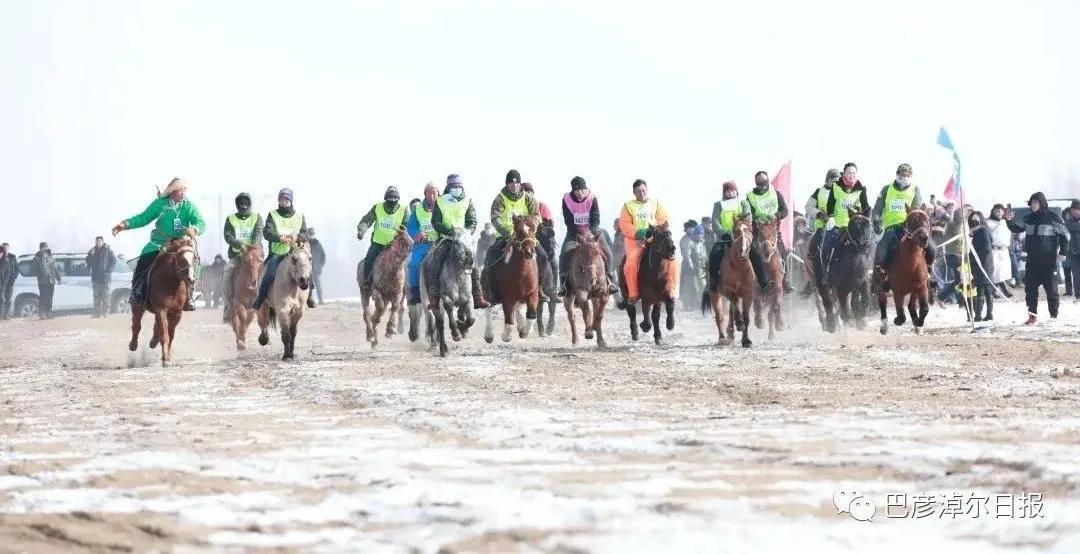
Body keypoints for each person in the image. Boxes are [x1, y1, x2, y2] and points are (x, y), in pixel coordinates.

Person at [112, 178, 205, 312]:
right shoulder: (160, 204)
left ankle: (189, 295)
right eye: (180, 190)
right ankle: (138, 293)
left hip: (181, 243)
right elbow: (143, 218)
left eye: (185, 190)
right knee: (143, 261)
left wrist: (195, 229)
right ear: (172, 192)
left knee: (193, 262)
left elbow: (200, 221)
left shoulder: (188, 206)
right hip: (159, 243)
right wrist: (125, 224)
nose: (183, 193)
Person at [483, 169, 545, 305]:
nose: (514, 186)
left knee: (544, 257)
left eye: (517, 184)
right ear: (507, 185)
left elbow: (536, 215)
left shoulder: (528, 198)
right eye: (511, 184)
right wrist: (506, 232)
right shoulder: (500, 198)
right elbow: (495, 217)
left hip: (526, 236)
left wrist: (530, 227)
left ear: (520, 184)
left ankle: (539, 289)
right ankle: (493, 293)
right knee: (491, 257)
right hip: (505, 236)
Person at [1006, 192, 1070, 324]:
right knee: (1030, 291)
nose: (1033, 205)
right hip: (1032, 261)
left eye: (1036, 202)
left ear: (1042, 203)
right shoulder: (1028, 218)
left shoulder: (1052, 218)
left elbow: (1065, 235)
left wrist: (1063, 253)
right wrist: (1009, 220)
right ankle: (1032, 317)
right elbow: (1016, 229)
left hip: (1049, 261)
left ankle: (1053, 316)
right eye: (1031, 203)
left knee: (1052, 291)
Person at [427, 174, 488, 309]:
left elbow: (472, 221)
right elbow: (435, 221)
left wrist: (465, 233)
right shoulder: (440, 201)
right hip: (446, 239)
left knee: (473, 262)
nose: (456, 189)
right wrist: (450, 231)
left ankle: (477, 296)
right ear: (448, 187)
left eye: (458, 187)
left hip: (463, 240)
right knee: (434, 261)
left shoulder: (467, 201)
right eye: (453, 187)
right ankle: (434, 296)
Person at [252, 187, 316, 310]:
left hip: (295, 253)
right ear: (278, 200)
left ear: (291, 200)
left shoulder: (299, 215)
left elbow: (305, 234)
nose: (284, 201)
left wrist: (297, 237)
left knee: (306, 271)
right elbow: (267, 233)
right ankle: (260, 298)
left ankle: (309, 297)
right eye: (282, 198)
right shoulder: (273, 215)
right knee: (269, 274)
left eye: (287, 198)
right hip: (278, 253)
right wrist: (280, 238)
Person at [870, 164, 931, 292]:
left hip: (910, 228)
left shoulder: (915, 189)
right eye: (903, 175)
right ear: (897, 175)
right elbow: (877, 209)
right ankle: (878, 280)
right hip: (891, 228)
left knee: (931, 248)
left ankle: (929, 275)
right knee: (881, 250)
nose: (905, 177)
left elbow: (917, 208)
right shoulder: (887, 189)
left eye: (908, 175)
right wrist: (876, 221)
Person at [557, 176, 619, 297]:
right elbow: (568, 220)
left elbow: (595, 218)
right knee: (564, 254)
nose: (580, 193)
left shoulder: (592, 198)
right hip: (574, 232)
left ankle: (610, 281)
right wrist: (577, 234)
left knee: (608, 253)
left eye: (582, 190)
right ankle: (563, 284)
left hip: (592, 232)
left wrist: (590, 232)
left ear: (586, 189)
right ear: (573, 191)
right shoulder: (566, 200)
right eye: (577, 191)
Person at [618, 178, 676, 306]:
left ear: (647, 190)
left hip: (655, 238)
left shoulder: (655, 203)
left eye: (643, 190)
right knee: (630, 264)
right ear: (634, 192)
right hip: (636, 241)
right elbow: (625, 224)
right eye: (638, 191)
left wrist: (655, 231)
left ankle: (671, 290)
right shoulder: (628, 206)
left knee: (672, 260)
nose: (641, 193)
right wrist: (641, 234)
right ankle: (633, 293)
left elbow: (663, 218)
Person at [707, 181, 771, 294]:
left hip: (742, 236)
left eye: (733, 190)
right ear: (724, 193)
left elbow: (747, 217)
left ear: (736, 191)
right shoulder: (718, 205)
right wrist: (723, 233)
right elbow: (715, 221)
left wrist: (742, 227)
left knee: (756, 255)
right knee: (714, 255)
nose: (730, 193)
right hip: (725, 238)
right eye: (728, 191)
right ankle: (713, 284)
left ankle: (764, 283)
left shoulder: (743, 203)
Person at [820, 163, 872, 276]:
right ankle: (826, 272)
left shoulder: (861, 189)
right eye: (849, 172)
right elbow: (830, 204)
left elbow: (866, 207)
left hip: (854, 227)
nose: (851, 175)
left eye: (854, 173)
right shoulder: (836, 187)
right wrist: (830, 217)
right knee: (826, 247)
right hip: (837, 225)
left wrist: (867, 219)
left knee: (867, 245)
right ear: (844, 173)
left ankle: (865, 273)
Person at [746, 170, 793, 292]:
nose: (762, 183)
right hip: (758, 232)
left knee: (783, 253)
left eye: (764, 180)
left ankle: (785, 281)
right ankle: (750, 280)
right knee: (750, 253)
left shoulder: (776, 194)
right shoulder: (750, 196)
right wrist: (758, 218)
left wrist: (776, 215)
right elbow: (748, 213)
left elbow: (785, 210)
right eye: (759, 181)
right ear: (756, 182)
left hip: (774, 232)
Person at [357, 186, 408, 293]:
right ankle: (367, 281)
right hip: (378, 244)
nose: (392, 202)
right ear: (386, 199)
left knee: (406, 261)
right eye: (390, 200)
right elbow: (367, 220)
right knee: (369, 258)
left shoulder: (404, 210)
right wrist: (361, 230)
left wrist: (404, 235)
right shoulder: (377, 208)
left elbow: (407, 225)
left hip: (395, 246)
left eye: (395, 200)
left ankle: (405, 285)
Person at [799, 169, 841, 297]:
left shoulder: (845, 192)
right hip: (822, 228)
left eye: (837, 180)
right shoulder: (819, 192)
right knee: (812, 249)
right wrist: (818, 214)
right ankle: (815, 279)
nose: (835, 182)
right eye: (833, 180)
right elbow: (808, 207)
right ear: (827, 180)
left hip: (841, 227)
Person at [221, 192, 264, 316]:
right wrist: (239, 244)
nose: (243, 205)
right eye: (241, 203)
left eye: (246, 203)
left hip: (254, 255)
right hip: (237, 255)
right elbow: (228, 235)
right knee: (227, 274)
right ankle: (228, 303)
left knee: (267, 274)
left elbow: (258, 232)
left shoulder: (257, 217)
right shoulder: (231, 219)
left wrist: (252, 246)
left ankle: (266, 301)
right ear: (237, 205)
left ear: (249, 204)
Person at [406, 183, 439, 307]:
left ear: (438, 194)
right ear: (424, 194)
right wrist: (416, 234)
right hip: (423, 244)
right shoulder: (418, 209)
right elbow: (411, 226)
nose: (431, 196)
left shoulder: (443, 207)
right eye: (428, 193)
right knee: (413, 263)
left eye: (433, 193)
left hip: (440, 243)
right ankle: (415, 293)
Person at [968, 211, 995, 321]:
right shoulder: (976, 233)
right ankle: (986, 314)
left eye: (976, 219)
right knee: (985, 289)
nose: (974, 221)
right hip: (979, 265)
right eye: (972, 219)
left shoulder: (983, 231)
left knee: (983, 290)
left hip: (983, 265)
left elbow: (986, 249)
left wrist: (979, 262)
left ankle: (979, 315)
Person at [985, 204, 1015, 298]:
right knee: (995, 272)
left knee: (1003, 272)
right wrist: (999, 225)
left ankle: (995, 290)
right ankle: (1000, 290)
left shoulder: (1006, 222)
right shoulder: (988, 222)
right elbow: (989, 235)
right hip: (994, 249)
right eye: (997, 211)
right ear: (993, 212)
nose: (999, 213)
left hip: (1004, 250)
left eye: (1001, 211)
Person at [86, 236, 117, 318]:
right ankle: (97, 314)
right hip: (96, 278)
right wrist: (89, 255)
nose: (98, 242)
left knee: (106, 297)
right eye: (96, 241)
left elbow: (114, 260)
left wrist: (109, 270)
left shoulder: (107, 250)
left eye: (99, 241)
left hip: (105, 278)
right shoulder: (92, 250)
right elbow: (88, 262)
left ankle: (106, 313)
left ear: (102, 242)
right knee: (96, 297)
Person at [679, 222, 707, 309]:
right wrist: (691, 265)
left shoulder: (701, 242)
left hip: (700, 267)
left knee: (701, 285)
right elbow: (686, 255)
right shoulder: (686, 241)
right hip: (689, 267)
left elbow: (704, 254)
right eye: (690, 228)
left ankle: (699, 302)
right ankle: (687, 303)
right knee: (689, 285)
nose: (691, 229)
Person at [32, 242, 61, 319]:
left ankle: (48, 313)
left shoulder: (51, 257)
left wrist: (58, 278)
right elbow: (34, 269)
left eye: (47, 247)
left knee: (50, 297)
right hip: (42, 281)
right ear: (41, 248)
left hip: (51, 280)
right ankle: (42, 313)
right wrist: (42, 258)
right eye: (44, 247)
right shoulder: (36, 258)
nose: (46, 248)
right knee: (43, 297)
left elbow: (55, 268)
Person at [1061, 199, 1080, 301]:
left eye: (1077, 210)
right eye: (1074, 210)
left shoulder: (1068, 222)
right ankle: (1076, 294)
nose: (1075, 212)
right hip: (1071, 250)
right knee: (1074, 273)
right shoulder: (1066, 219)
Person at [306, 228, 327, 304]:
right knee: (308, 286)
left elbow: (323, 256)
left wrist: (320, 266)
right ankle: (308, 301)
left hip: (316, 269)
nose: (311, 236)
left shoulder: (318, 244)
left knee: (318, 285)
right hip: (307, 269)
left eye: (312, 234)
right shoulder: (305, 244)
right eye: (310, 234)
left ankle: (321, 300)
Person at [0, 243, 17, 320]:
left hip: (10, 282)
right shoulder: (1, 258)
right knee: (1, 299)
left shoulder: (12, 257)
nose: (6, 249)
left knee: (9, 300)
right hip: (2, 282)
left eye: (7, 248)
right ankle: (1, 315)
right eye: (4, 248)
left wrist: (14, 277)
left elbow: (16, 269)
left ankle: (6, 315)